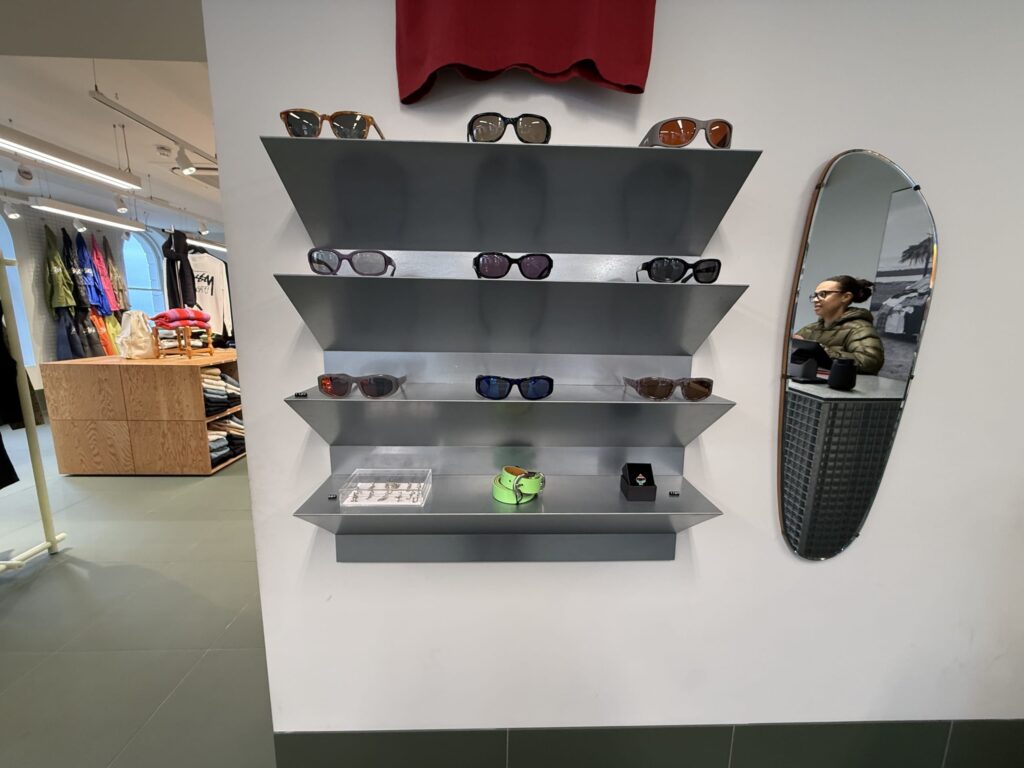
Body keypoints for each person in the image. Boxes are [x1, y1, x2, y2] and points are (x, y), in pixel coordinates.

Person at [794, 275, 884, 374]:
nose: (815, 300)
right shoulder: (810, 329)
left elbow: (870, 362)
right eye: (815, 296)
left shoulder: (860, 329)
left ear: (846, 297)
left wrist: (820, 350)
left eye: (823, 294)